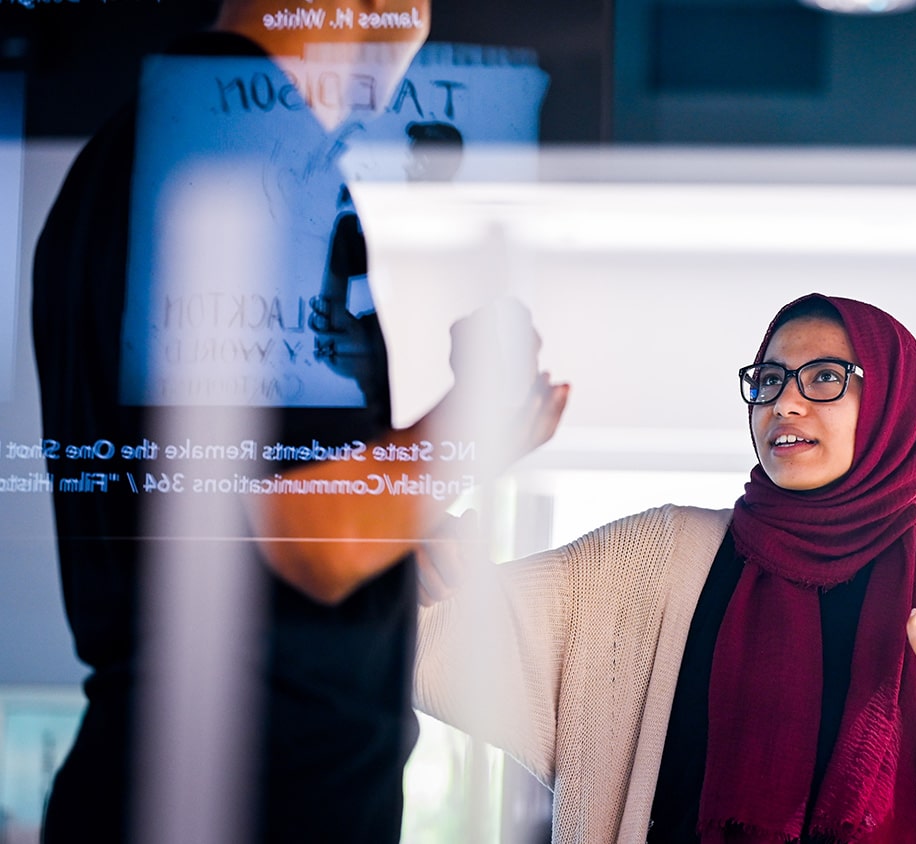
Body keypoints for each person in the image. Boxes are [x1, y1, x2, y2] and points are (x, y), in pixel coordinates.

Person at [30, 1, 566, 841]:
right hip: (236, 795)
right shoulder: (249, 157)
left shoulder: (162, 149)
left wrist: (397, 531)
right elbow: (310, 538)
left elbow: (239, 509)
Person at [414, 293, 916, 842]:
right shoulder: (658, 557)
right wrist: (412, 555)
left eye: (825, 377)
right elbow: (451, 631)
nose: (785, 402)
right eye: (768, 380)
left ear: (896, 404)